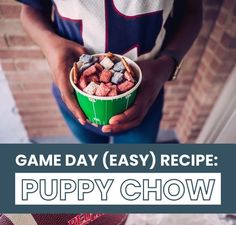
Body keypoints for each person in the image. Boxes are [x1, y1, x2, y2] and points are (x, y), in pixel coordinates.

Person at [18, 0, 202, 143]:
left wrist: (168, 63)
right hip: (73, 94)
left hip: (144, 95)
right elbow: (31, 8)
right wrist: (51, 46)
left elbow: (192, 10)